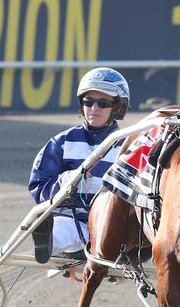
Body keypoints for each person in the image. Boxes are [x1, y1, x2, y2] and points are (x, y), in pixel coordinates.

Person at [28, 67, 130, 264]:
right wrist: (69, 179)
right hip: (72, 219)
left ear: (117, 107)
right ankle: (47, 242)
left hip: (111, 227)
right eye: (88, 102)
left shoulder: (128, 146)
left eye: (103, 103)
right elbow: (38, 186)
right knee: (63, 227)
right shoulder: (62, 142)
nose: (94, 108)